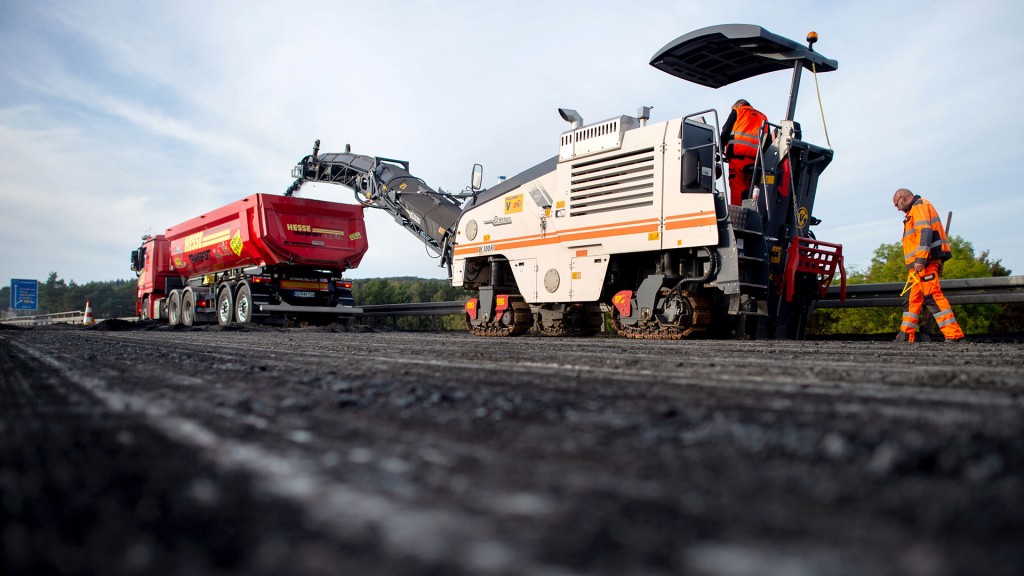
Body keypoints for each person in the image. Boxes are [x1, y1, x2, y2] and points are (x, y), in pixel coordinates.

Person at [892, 188, 965, 343]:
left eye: (896, 204)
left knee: (932, 296)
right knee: (912, 300)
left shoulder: (919, 206)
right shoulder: (916, 209)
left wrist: (921, 259)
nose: (897, 208)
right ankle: (906, 335)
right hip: (919, 266)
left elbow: (925, 232)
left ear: (902, 197)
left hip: (924, 263)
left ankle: (954, 335)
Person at [720, 99, 768, 205]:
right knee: (750, 188)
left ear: (740, 105)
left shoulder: (738, 111)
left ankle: (736, 214)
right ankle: (749, 210)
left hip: (738, 157)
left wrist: (719, 147)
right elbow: (767, 139)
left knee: (737, 186)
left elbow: (725, 131)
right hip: (755, 160)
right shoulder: (763, 117)